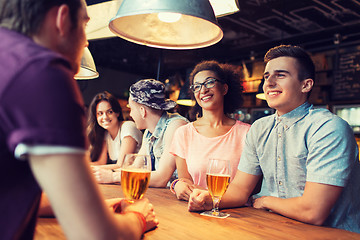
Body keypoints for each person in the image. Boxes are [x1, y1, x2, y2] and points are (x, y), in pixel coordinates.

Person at [0, 0, 157, 239]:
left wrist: (91, 207)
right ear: (62, 19)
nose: (86, 41)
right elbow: (97, 235)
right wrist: (138, 217)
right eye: (84, 25)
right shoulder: (41, 71)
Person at [188, 45, 360, 233]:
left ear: (306, 85)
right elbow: (239, 191)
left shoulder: (328, 128)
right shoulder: (259, 128)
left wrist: (266, 201)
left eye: (280, 75)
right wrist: (209, 200)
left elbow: (314, 211)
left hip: (331, 235)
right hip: (273, 229)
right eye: (267, 76)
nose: (269, 82)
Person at [169, 60, 250, 201]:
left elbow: (251, 188)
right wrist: (179, 185)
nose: (203, 90)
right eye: (197, 86)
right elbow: (185, 180)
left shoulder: (246, 133)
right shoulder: (183, 133)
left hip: (238, 214)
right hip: (198, 209)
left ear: (224, 89)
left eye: (210, 82)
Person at [87, 91, 142, 165]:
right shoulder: (105, 133)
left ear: (117, 113)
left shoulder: (128, 127)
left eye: (109, 112)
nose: (105, 117)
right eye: (100, 113)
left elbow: (121, 165)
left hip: (136, 175)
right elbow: (101, 162)